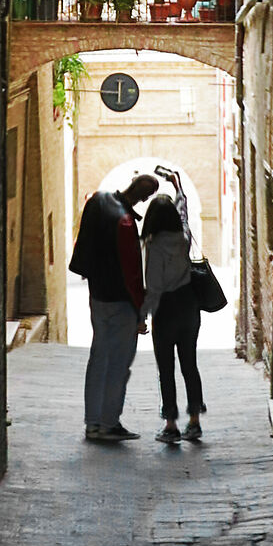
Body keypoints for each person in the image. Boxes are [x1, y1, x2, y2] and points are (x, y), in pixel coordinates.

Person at [68, 173, 158, 442]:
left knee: (98, 358)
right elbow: (132, 273)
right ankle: (108, 422)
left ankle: (92, 422)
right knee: (118, 363)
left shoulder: (98, 200)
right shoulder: (126, 223)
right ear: (144, 197)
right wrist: (140, 312)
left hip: (98, 297)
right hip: (121, 303)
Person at [140, 192, 206, 444]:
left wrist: (142, 316)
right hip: (188, 305)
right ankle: (195, 421)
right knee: (190, 364)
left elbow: (154, 286)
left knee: (166, 369)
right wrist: (180, 194)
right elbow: (184, 217)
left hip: (166, 310)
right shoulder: (184, 238)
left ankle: (171, 425)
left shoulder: (155, 246)